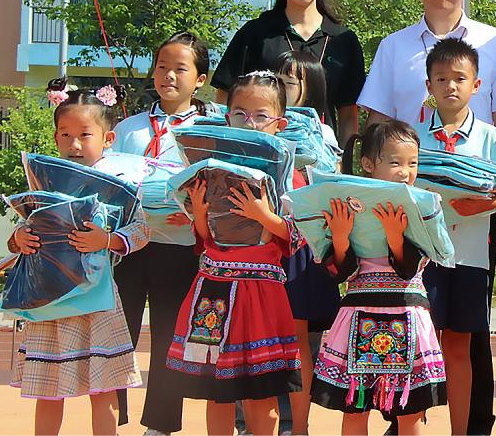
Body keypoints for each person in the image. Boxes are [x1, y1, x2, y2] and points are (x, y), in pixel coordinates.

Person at [358, 0, 496, 436]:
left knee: (465, 336)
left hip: (474, 222)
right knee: (410, 327)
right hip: (411, 228)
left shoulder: (494, 42)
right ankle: (404, 423)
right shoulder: (394, 47)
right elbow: (377, 123)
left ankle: (471, 426)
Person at [166, 73, 304, 436]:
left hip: (261, 293)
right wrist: (199, 212)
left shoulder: (290, 174)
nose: (249, 123)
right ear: (227, 119)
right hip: (214, 290)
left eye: (261, 115)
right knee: (218, 393)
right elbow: (203, 239)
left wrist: (263, 216)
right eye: (240, 114)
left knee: (262, 391)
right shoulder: (210, 168)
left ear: (279, 123)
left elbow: (298, 238)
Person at [10, 82, 149, 436]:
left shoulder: (120, 183)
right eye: (65, 134)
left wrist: (109, 239)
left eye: (84, 134)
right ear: (55, 137)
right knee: (48, 390)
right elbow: (22, 229)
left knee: (102, 389)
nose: (74, 144)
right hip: (49, 302)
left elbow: (141, 230)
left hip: (97, 301)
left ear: (108, 138)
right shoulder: (42, 179)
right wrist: (20, 238)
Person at [417, 38, 496, 436]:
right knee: (417, 344)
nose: (450, 86)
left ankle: (460, 429)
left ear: (476, 85)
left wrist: (487, 204)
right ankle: (409, 426)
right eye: (441, 78)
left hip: (469, 257)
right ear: (429, 85)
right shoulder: (413, 137)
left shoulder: (490, 137)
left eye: (459, 78)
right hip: (421, 259)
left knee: (459, 347)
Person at [310, 120, 448, 435]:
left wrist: (395, 236)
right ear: (369, 164)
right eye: (396, 163)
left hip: (406, 310)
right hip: (360, 309)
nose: (405, 172)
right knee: (355, 407)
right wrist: (340, 235)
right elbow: (340, 271)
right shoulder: (348, 203)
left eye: (413, 163)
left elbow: (412, 266)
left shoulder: (420, 204)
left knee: (410, 412)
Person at [111, 31, 214, 436]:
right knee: (118, 332)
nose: (169, 75)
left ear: (200, 79)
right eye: (162, 66)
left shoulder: (211, 128)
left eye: (180, 69)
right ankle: (110, 415)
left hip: (181, 247)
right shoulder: (128, 128)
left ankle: (160, 424)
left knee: (170, 337)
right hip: (129, 245)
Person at [213, 0, 365, 145]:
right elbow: (224, 99)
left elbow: (348, 114)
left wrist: (343, 159)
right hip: (260, 152)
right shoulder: (255, 33)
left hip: (322, 156)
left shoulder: (343, 41)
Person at [271, 51, 344, 436]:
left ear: (310, 86)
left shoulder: (322, 132)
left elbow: (329, 181)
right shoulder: (262, 122)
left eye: (290, 82)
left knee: (299, 337)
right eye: (277, 81)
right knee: (256, 336)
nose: (281, 89)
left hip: (302, 246)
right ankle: (252, 422)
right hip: (262, 244)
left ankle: (297, 426)